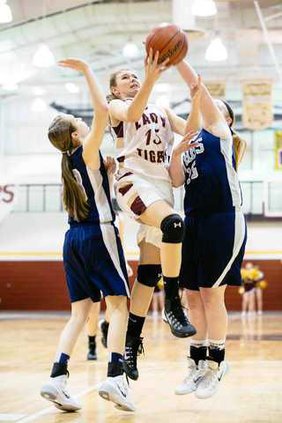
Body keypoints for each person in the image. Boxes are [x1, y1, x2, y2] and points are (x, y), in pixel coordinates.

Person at [40, 58, 135, 412]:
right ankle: (114, 376)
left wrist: (108, 173)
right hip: (100, 234)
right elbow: (101, 107)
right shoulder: (88, 148)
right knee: (119, 306)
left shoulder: (69, 161)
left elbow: (96, 184)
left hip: (72, 240)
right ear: (78, 135)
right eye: (80, 123)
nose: (86, 122)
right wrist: (86, 71)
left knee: (79, 313)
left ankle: (57, 376)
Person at [108, 49, 196, 380]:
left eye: (135, 75)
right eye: (125, 77)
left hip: (162, 187)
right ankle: (173, 305)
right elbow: (132, 113)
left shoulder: (161, 108)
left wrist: (198, 97)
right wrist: (151, 76)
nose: (132, 78)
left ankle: (130, 342)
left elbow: (190, 130)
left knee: (148, 272)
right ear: (115, 89)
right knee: (175, 225)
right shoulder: (116, 107)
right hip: (134, 181)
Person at [170, 61, 247, 399]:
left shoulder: (219, 133)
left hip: (223, 219)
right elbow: (175, 180)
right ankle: (197, 363)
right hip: (194, 221)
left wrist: (176, 60)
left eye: (216, 107)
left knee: (212, 293)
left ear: (225, 118)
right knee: (191, 296)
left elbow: (198, 91)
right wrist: (175, 151)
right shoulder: (190, 139)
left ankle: (216, 364)